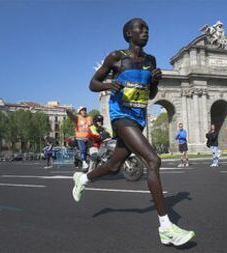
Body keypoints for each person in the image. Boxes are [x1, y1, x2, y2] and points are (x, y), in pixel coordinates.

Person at [73, 18, 195, 246]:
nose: (146, 32)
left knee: (114, 165)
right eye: (141, 28)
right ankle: (166, 227)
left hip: (139, 118)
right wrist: (109, 85)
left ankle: (83, 178)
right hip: (121, 116)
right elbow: (93, 83)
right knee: (153, 161)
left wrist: (156, 82)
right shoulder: (116, 57)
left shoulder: (151, 60)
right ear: (129, 34)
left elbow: (150, 95)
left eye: (148, 28)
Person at [66, 107, 92, 171]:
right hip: (80, 137)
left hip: (88, 138)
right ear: (79, 112)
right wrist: (68, 112)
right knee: (82, 150)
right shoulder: (77, 118)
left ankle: (86, 163)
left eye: (85, 110)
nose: (84, 111)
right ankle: (84, 162)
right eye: (82, 110)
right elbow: (72, 116)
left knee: (89, 151)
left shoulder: (89, 118)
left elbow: (92, 125)